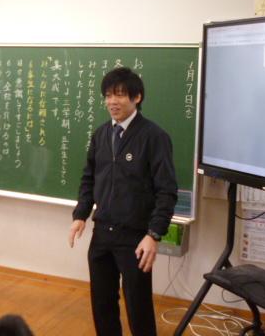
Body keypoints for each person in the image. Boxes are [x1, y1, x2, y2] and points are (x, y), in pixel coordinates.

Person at [68, 67, 178, 336]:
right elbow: (88, 179)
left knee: (138, 308)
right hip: (102, 233)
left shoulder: (154, 137)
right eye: (108, 95)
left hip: (135, 238)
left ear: (136, 97)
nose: (112, 101)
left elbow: (167, 191)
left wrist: (154, 234)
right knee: (102, 304)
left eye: (119, 95)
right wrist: (80, 215)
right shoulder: (101, 135)